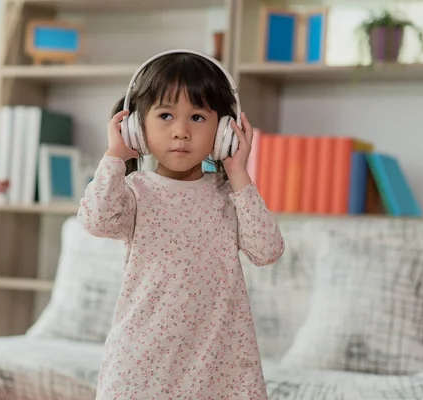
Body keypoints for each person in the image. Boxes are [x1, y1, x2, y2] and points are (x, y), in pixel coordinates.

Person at [77, 49, 285, 399]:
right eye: (166, 115)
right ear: (136, 128)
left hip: (220, 367)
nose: (181, 132)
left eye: (198, 118)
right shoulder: (136, 192)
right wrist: (115, 155)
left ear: (224, 131)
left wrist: (238, 174)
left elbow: (267, 250)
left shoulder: (229, 196)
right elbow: (96, 220)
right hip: (141, 365)